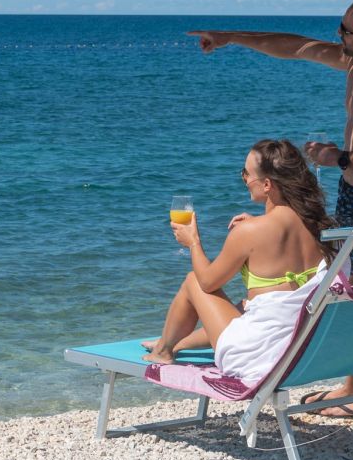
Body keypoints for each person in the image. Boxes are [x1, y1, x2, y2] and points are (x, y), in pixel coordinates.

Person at [188, 0, 353, 415]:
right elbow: (296, 46)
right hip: (352, 188)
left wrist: (340, 158)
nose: (338, 36)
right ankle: (351, 386)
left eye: (345, 30)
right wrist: (232, 39)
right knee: (339, 285)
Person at [142, 139, 340, 379]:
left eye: (246, 173)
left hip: (256, 357)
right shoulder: (320, 226)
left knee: (193, 280)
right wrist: (256, 224)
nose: (244, 179)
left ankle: (163, 351)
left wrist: (193, 242)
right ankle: (172, 343)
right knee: (244, 307)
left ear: (267, 184)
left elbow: (207, 283)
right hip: (299, 349)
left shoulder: (249, 232)